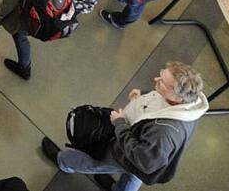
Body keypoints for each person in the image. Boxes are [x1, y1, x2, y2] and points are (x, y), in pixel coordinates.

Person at [43, 62, 209, 191]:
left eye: (163, 83)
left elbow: (144, 161)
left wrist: (120, 123)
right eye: (160, 75)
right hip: (144, 153)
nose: (156, 81)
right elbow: (161, 101)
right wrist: (144, 94)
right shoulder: (190, 104)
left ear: (178, 97)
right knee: (135, 176)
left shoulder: (164, 132)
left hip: (127, 153)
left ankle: (64, 162)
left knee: (96, 162)